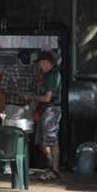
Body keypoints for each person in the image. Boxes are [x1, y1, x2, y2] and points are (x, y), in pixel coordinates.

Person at [0, 49, 38, 174]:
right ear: (18, 58)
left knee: (26, 136)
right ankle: (8, 165)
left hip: (26, 108)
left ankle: (23, 165)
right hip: (12, 106)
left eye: (27, 59)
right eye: (24, 59)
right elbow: (3, 88)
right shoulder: (10, 69)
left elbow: (35, 88)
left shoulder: (32, 70)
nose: (26, 62)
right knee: (10, 136)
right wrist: (18, 93)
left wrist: (30, 96)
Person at [31, 50, 62, 181]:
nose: (39, 66)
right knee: (42, 141)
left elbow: (47, 98)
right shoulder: (47, 75)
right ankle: (51, 167)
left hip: (51, 110)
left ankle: (54, 169)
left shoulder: (52, 75)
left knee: (51, 140)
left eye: (41, 63)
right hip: (46, 110)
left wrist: (32, 97)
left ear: (46, 62)